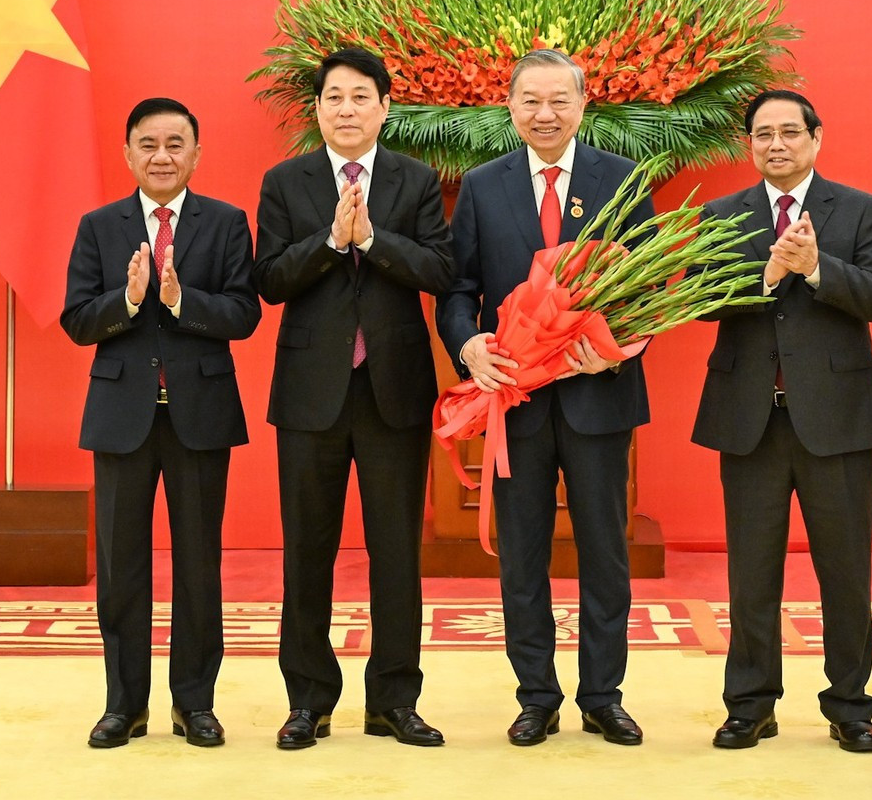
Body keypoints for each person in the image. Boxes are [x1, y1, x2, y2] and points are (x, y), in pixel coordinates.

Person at [438, 47, 655, 746]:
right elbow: (456, 288)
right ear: (510, 107)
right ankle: (536, 694)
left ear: (584, 105)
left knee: (603, 550)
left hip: (599, 396)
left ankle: (602, 694)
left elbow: (651, 290)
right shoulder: (482, 185)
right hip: (518, 402)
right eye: (531, 100)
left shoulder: (621, 181)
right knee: (524, 551)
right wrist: (469, 346)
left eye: (559, 100)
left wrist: (621, 345)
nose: (545, 113)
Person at [254, 46, 454, 751]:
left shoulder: (416, 179)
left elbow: (439, 268)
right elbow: (270, 279)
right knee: (307, 549)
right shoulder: (286, 182)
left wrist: (375, 238)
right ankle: (309, 699)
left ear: (384, 107)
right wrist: (331, 242)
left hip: (393, 393)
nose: (346, 108)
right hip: (312, 395)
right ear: (317, 109)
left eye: (360, 96)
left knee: (396, 551)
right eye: (334, 97)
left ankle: (394, 700)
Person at [691, 90, 872, 754]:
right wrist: (767, 272)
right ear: (749, 144)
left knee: (844, 572)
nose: (775, 143)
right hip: (751, 419)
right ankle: (750, 703)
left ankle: (850, 705)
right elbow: (701, 298)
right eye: (762, 134)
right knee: (752, 573)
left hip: (837, 420)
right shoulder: (723, 214)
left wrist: (816, 270)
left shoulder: (859, 208)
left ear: (815, 137)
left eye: (788, 131)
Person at [61, 98, 260, 750]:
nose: (163, 155)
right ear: (128, 154)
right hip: (122, 417)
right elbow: (77, 320)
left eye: (176, 143)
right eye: (149, 143)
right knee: (121, 566)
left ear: (197, 155)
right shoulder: (100, 226)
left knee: (199, 565)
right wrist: (128, 300)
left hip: (199, 417)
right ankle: (124, 705)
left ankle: (194, 703)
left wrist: (177, 299)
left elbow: (243, 314)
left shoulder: (227, 223)